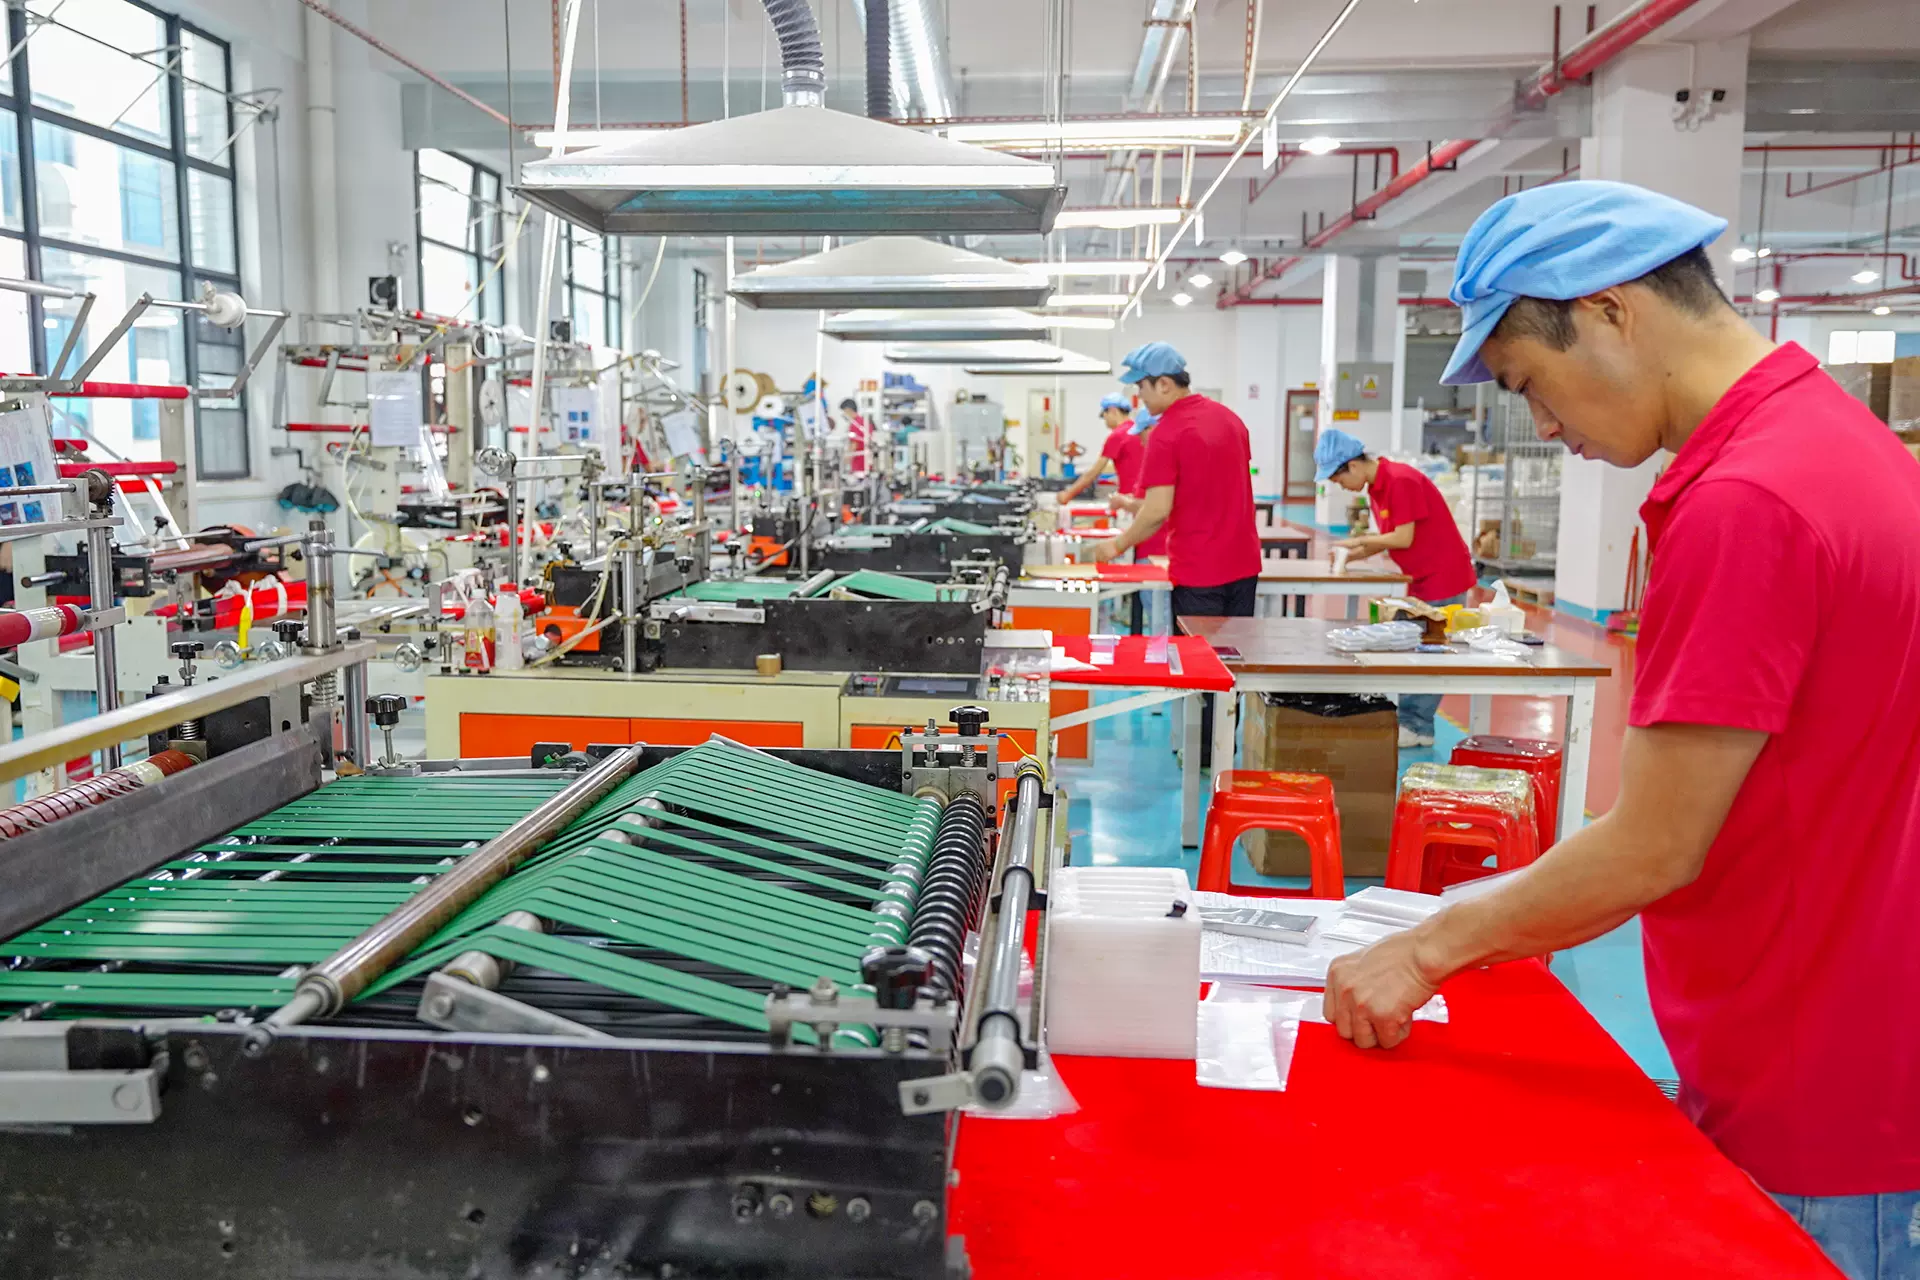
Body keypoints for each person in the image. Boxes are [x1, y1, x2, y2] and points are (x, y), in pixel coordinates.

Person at [1320, 180, 1920, 1279]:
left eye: (1530, 385)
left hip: (1812, 1087)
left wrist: (1422, 949)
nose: (1548, 428)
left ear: (1608, 309)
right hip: (1854, 1031)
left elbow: (1653, 845)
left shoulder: (1748, 500)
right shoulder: (1841, 442)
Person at [1316, 428, 1477, 746]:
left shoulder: (1400, 481)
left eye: (1339, 480)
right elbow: (1389, 539)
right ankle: (1409, 721)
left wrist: (1358, 542)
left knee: (1430, 652)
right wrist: (1351, 555)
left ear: (1353, 466)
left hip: (1443, 576)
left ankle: (1418, 726)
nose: (1342, 488)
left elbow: (1403, 538)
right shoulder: (1378, 488)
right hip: (1420, 578)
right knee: (1411, 647)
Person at [1088, 342, 1259, 616]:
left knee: (1198, 645)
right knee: (1235, 644)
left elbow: (1157, 510)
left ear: (1164, 384)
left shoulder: (1167, 433)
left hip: (1199, 571)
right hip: (1244, 567)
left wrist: (1116, 545)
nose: (1139, 396)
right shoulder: (1231, 420)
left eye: (1141, 387)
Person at [1057, 394, 1143, 505]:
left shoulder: (1117, 436)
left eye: (1104, 416)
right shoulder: (1140, 431)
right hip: (1146, 496)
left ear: (1113, 411)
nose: (1105, 421)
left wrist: (1067, 495)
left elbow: (1093, 473)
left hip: (1129, 498)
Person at [837, 397, 869, 474]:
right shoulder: (862, 421)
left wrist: (846, 459)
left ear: (849, 410)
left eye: (844, 412)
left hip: (859, 462)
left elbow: (854, 444)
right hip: (865, 461)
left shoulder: (855, 424)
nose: (844, 414)